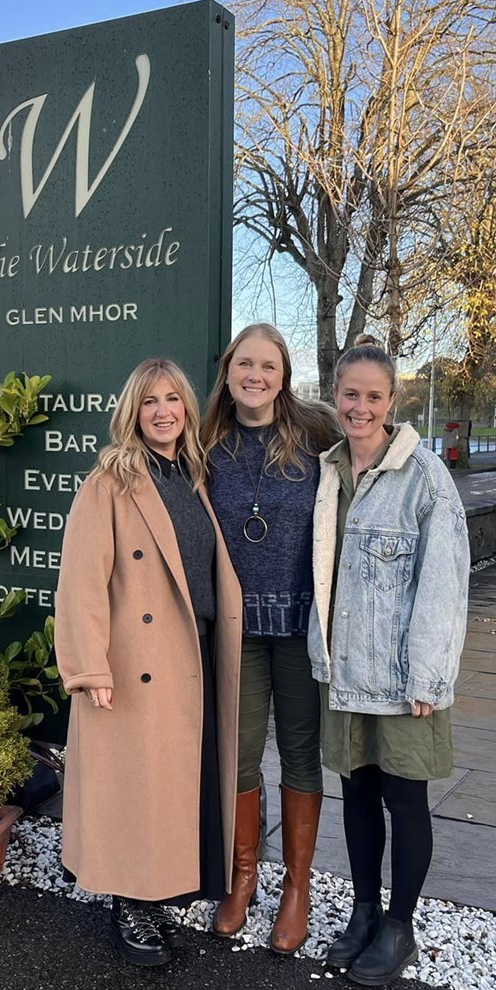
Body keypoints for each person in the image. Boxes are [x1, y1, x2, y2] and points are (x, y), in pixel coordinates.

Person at [56, 358, 243, 967]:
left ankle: (160, 891)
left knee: (173, 789)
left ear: (187, 407)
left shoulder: (191, 475)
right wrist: (88, 669)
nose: (163, 411)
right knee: (138, 789)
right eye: (149, 402)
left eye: (172, 399)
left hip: (194, 654)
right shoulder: (109, 483)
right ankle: (131, 903)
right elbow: (81, 583)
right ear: (131, 413)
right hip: (137, 662)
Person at [309, 343, 470, 987]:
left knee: (405, 800)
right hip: (345, 670)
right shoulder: (327, 472)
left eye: (374, 396)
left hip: (404, 678)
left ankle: (399, 924)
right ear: (337, 394)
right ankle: (364, 911)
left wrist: (429, 676)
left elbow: (444, 583)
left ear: (392, 403)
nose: (360, 407)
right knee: (356, 796)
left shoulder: (425, 478)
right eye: (351, 394)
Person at [201, 323, 341, 954]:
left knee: (302, 755)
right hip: (238, 630)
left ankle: (297, 888)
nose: (255, 376)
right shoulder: (205, 442)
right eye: (244, 364)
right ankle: (243, 877)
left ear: (284, 375)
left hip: (302, 628)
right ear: (228, 370)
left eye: (269, 366)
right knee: (239, 756)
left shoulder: (316, 434)